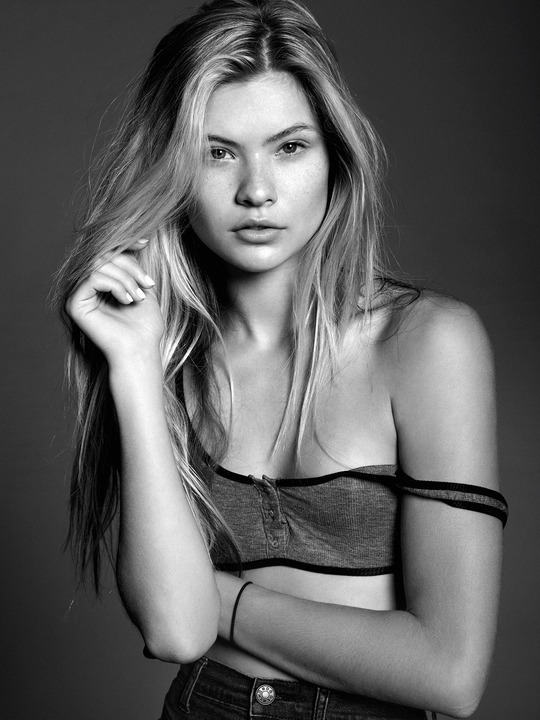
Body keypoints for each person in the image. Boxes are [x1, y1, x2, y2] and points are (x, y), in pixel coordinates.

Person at [54, 1, 508, 718]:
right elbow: (176, 632)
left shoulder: (426, 343)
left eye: (289, 147)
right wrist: (135, 368)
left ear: (335, 157)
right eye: (217, 152)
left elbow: (447, 674)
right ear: (174, 169)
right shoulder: (161, 353)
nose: (256, 190)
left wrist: (221, 597)